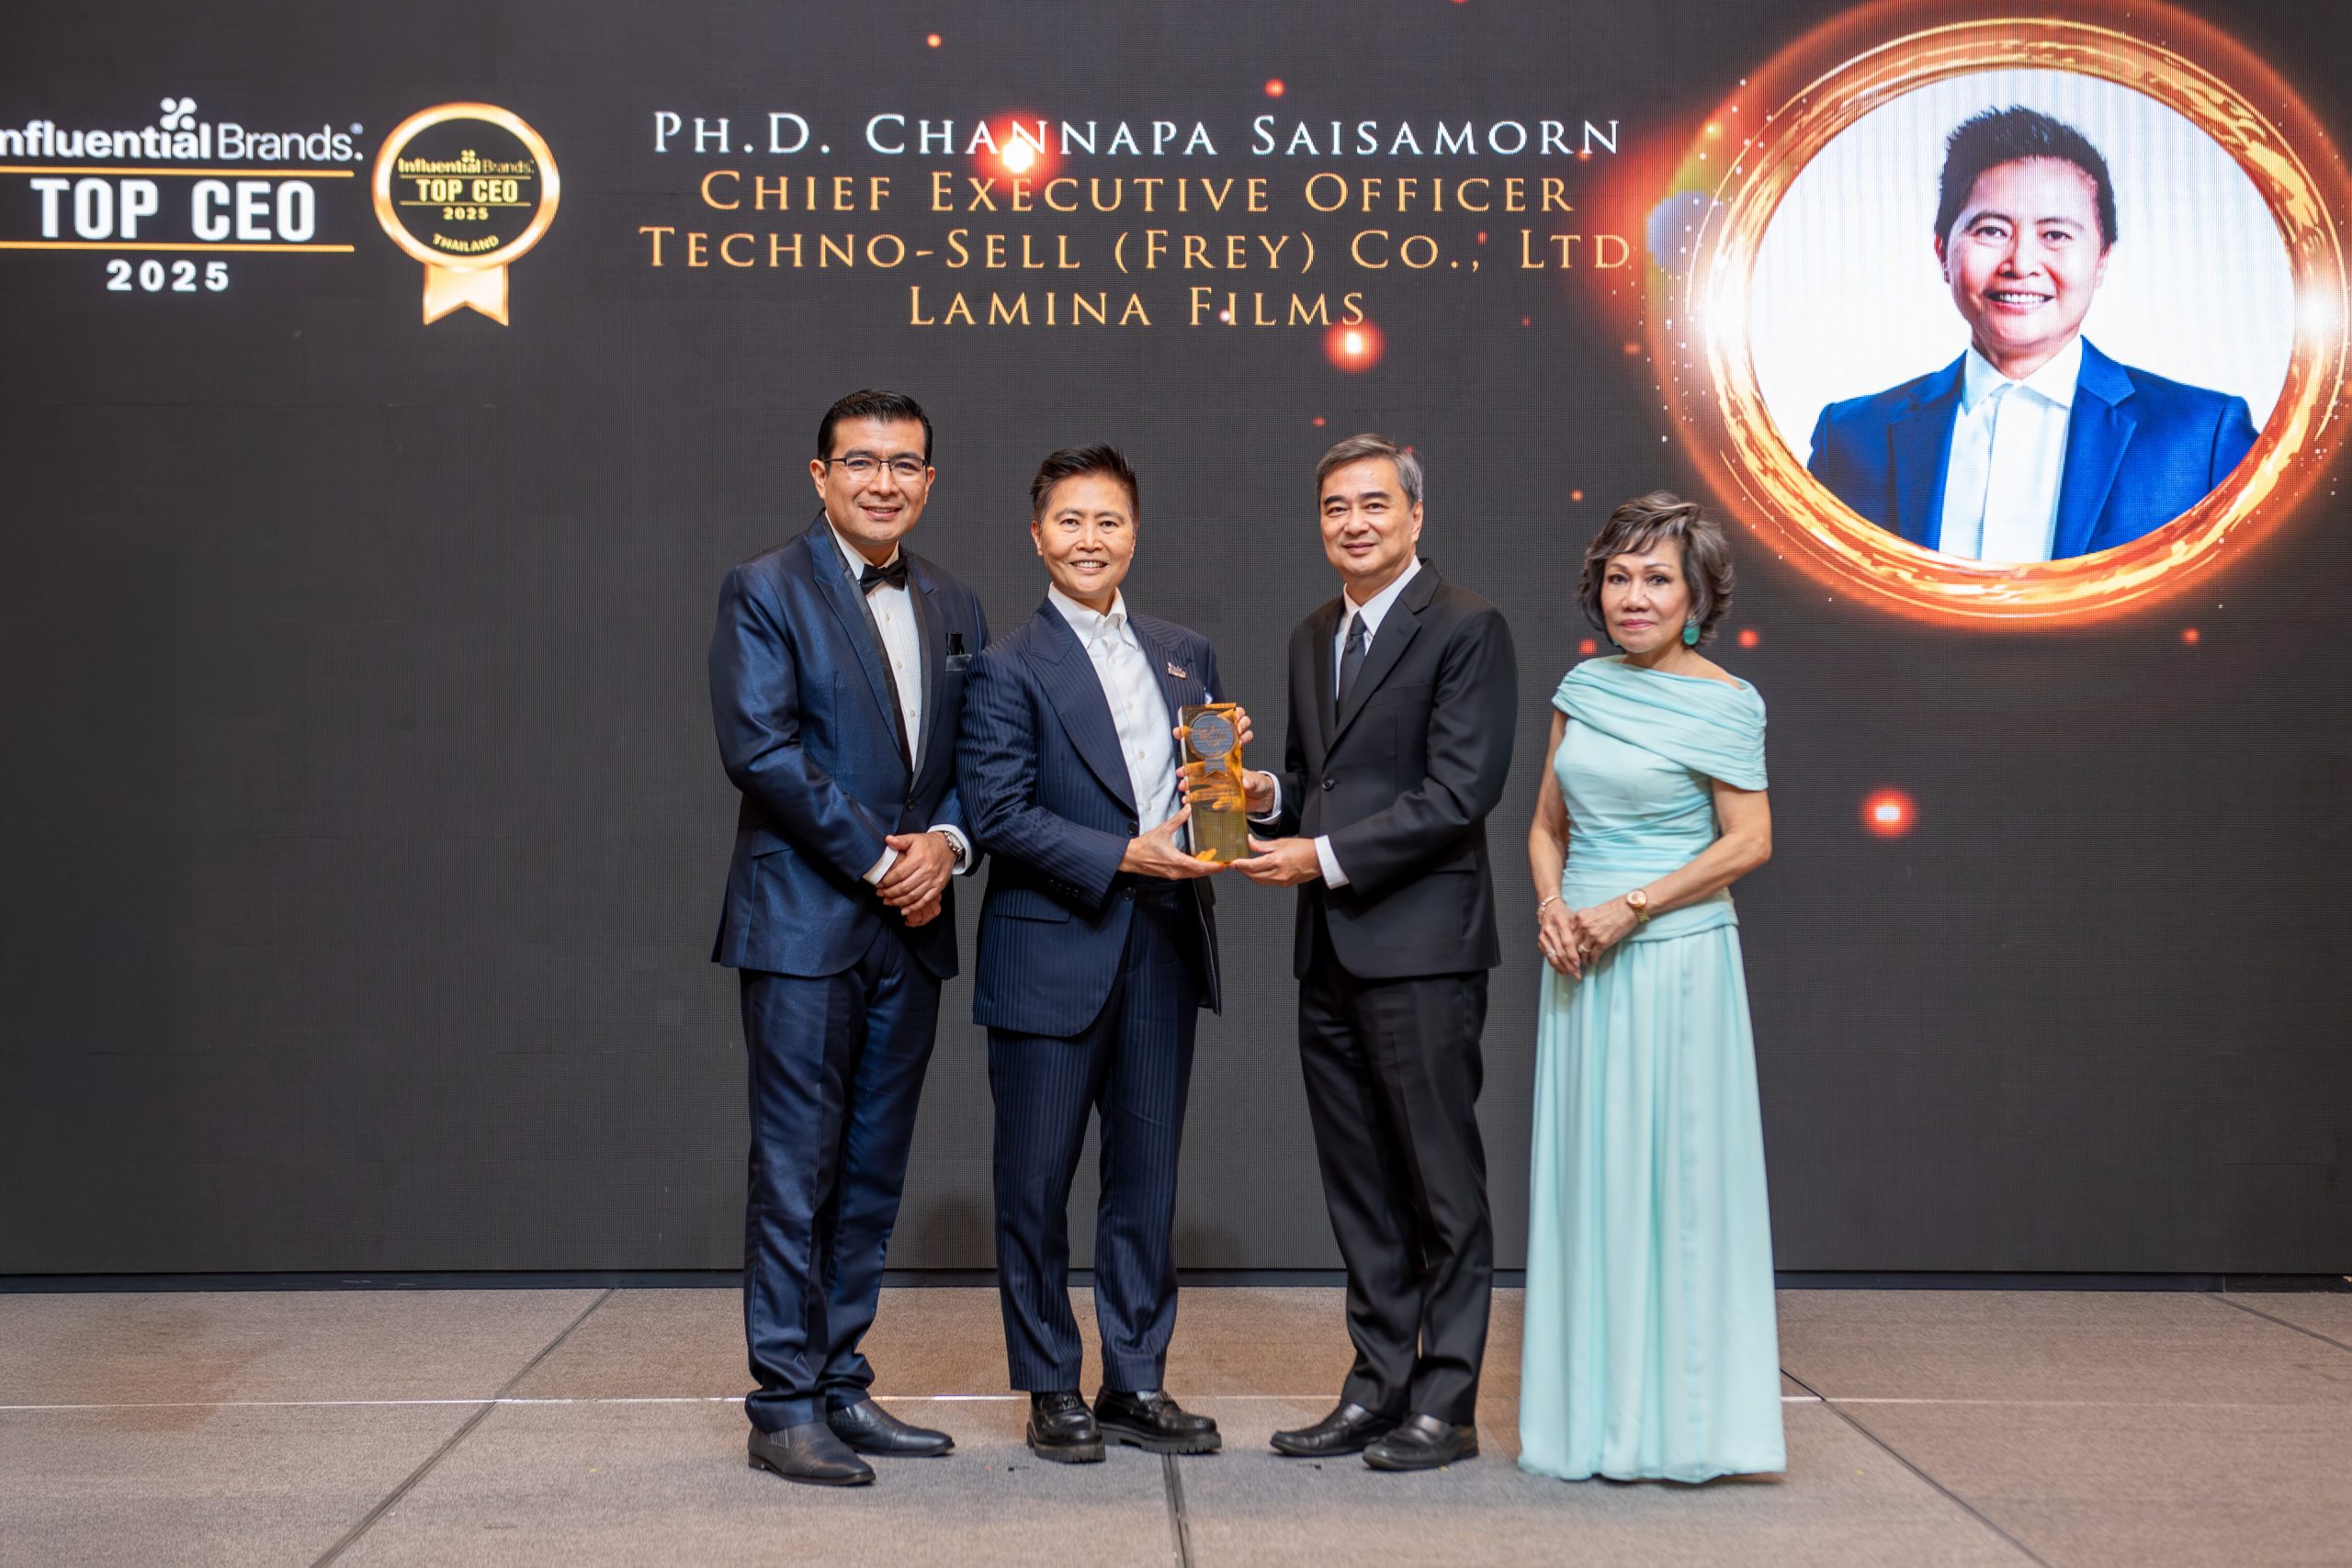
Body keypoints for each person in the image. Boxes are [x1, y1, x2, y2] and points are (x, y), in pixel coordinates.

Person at [707, 389, 989, 1487]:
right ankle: (781, 1405)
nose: (884, 481)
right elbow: (761, 751)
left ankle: (838, 1381)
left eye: (904, 463)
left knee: (872, 1169)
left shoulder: (955, 600)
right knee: (795, 1169)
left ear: (929, 480)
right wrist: (884, 860)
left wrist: (947, 846)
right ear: (819, 475)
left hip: (912, 928)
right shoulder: (764, 588)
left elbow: (978, 755)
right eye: (861, 462)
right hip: (804, 923)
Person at [1232, 434, 1517, 1472]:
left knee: (1440, 1189)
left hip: (1422, 951)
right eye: (1334, 508)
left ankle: (1447, 1403)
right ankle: (1375, 1386)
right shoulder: (1314, 633)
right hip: (1330, 955)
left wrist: (1321, 857)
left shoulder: (1468, 626)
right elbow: (1318, 780)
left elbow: (1459, 792)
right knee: (1359, 1189)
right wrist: (1265, 795)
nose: (1352, 523)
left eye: (1373, 504)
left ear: (1414, 515)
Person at [956, 445, 1232, 1464]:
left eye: (1107, 520)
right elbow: (995, 812)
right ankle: (1048, 1386)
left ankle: (1135, 1380)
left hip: (1163, 946)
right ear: (1038, 537)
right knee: (1034, 1182)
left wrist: (1238, 803)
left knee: (1146, 1180)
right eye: (1069, 521)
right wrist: (1123, 854)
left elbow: (1211, 792)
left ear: (1135, 533)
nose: (1089, 539)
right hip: (1049, 952)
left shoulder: (1186, 653)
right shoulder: (1005, 665)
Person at [1517, 491, 1782, 1483]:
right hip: (1579, 963)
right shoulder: (1581, 690)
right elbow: (1546, 824)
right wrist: (1554, 905)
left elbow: (1749, 842)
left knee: (1677, 1186)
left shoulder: (1727, 701)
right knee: (1593, 1183)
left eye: (1656, 578)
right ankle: (1591, 1419)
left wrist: (1631, 907)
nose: (1633, 596)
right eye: (1618, 577)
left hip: (1675, 965)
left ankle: (1685, 1427)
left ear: (1696, 597)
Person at [1809, 106, 2258, 561]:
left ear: (2101, 258)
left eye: (2056, 235)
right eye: (1991, 231)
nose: (2021, 264)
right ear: (1943, 252)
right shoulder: (1849, 438)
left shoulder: (2203, 438)